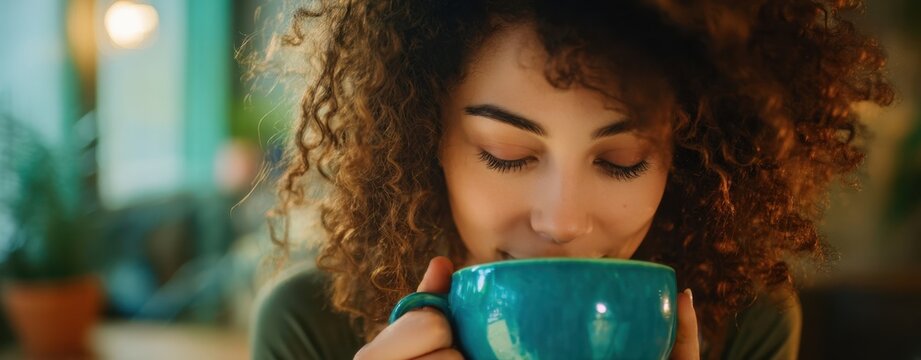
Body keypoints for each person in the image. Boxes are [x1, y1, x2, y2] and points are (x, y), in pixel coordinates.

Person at [251, 0, 893, 359]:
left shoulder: (749, 324)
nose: (561, 222)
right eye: (506, 154)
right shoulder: (312, 327)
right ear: (426, 138)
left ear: (688, 157)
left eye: (623, 161)